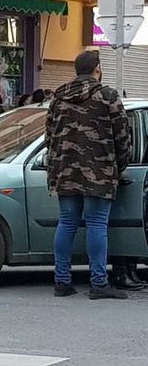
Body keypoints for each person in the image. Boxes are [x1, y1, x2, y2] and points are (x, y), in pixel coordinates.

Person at [46, 51, 132, 300]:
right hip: (99, 170)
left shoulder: (58, 98)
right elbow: (122, 136)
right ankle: (98, 283)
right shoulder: (108, 96)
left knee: (67, 222)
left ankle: (62, 281)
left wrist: (55, 168)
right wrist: (120, 166)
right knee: (96, 224)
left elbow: (49, 136)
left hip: (64, 170)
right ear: (97, 68)